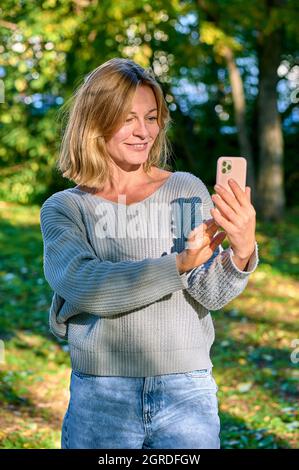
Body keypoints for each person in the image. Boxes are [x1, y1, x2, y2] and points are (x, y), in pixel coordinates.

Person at [40, 57, 259, 449]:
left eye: (152, 117)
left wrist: (241, 252)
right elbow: (88, 286)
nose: (144, 132)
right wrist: (178, 265)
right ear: (95, 122)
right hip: (102, 393)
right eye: (128, 118)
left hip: (186, 390)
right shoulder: (66, 208)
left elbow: (209, 291)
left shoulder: (183, 189)